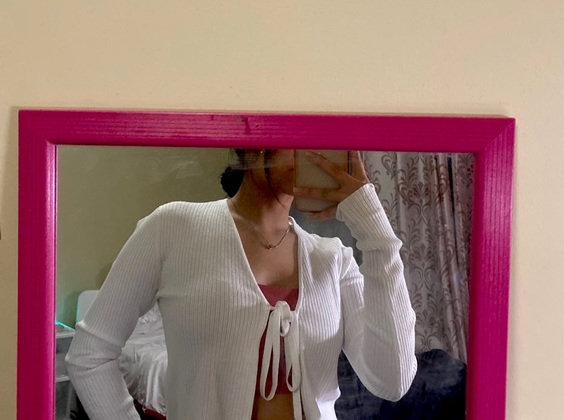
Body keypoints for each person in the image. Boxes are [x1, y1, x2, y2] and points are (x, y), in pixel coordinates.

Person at [66, 149, 417, 420]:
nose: (308, 151)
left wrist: (377, 235)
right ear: (251, 144)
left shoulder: (333, 259)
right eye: (294, 134)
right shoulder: (171, 228)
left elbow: (393, 380)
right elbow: (90, 354)